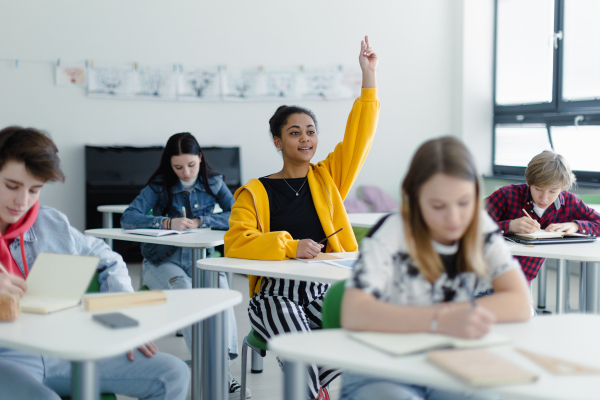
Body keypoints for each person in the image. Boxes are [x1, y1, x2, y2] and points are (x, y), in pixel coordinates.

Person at [225, 35, 380, 400]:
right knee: (297, 337)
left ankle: (309, 385)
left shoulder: (329, 179)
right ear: (277, 141)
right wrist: (289, 246)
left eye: (310, 131)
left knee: (365, 333)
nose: (305, 139)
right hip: (275, 294)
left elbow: (360, 136)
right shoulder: (255, 191)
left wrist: (369, 76)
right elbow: (236, 241)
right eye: (294, 133)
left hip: (321, 288)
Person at [0, 126, 189, 400]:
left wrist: (121, 317)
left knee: (173, 373)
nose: (23, 201)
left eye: (34, 190)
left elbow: (108, 259)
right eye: (12, 186)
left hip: (63, 345)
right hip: (8, 356)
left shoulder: (51, 222)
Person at [339, 137, 531, 400]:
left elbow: (520, 303)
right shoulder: (393, 231)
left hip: (448, 364)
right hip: (381, 369)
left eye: (464, 203)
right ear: (414, 198)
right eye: (438, 206)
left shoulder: (479, 226)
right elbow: (354, 312)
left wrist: (452, 318)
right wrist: (440, 320)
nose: (454, 218)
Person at [120, 132, 247, 398]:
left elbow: (239, 215)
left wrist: (203, 222)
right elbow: (128, 218)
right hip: (162, 261)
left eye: (191, 165)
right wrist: (165, 222)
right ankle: (212, 370)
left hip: (201, 259)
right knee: (189, 295)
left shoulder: (214, 182)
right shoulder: (158, 184)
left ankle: (221, 369)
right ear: (169, 165)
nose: (186, 172)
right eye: (178, 167)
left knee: (220, 298)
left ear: (200, 158)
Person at [485, 150, 600, 283]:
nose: (544, 198)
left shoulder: (569, 203)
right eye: (538, 189)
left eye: (552, 191)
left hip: (521, 282)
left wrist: (575, 226)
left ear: (562, 188)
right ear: (529, 182)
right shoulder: (507, 195)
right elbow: (469, 227)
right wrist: (509, 226)